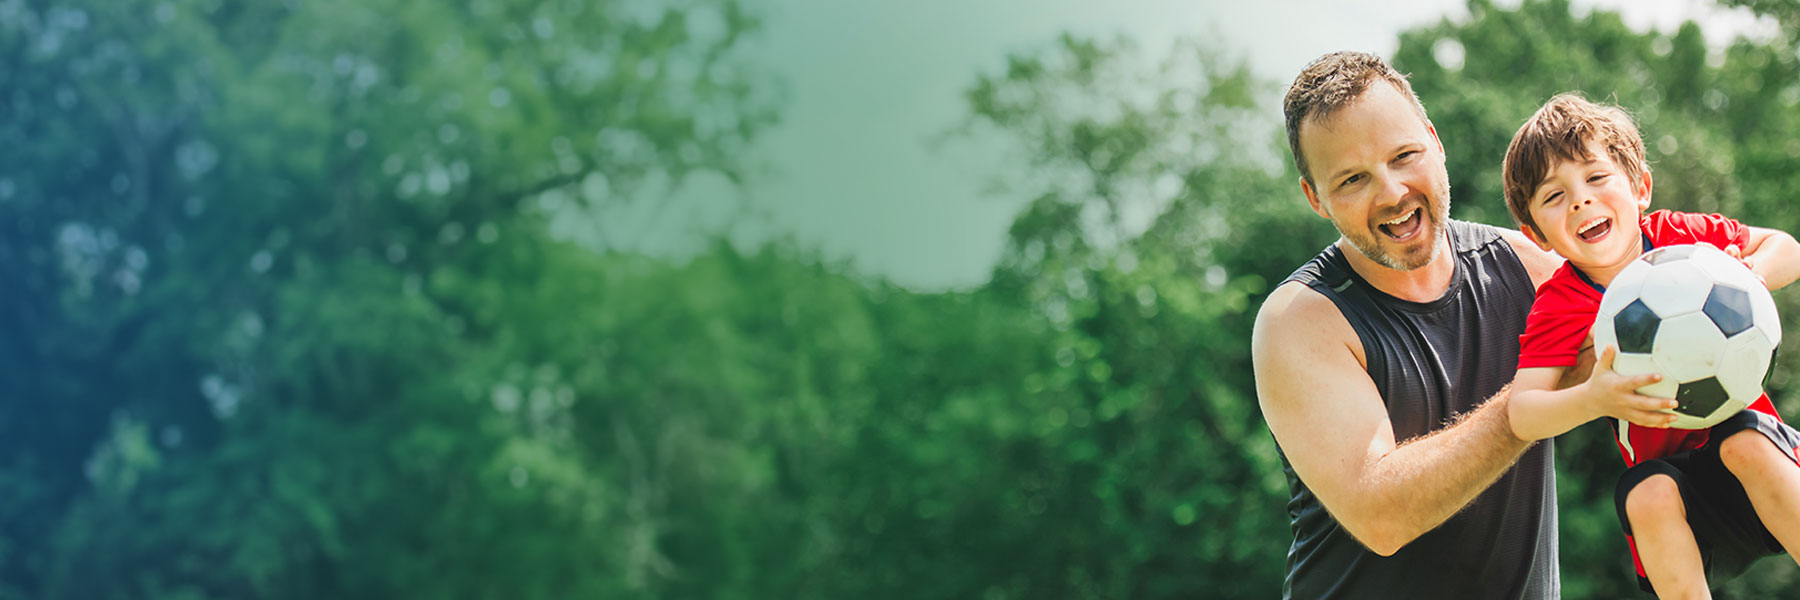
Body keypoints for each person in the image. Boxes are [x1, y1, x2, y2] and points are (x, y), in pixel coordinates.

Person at [1253, 50, 1577, 599]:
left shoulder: (1532, 270)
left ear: (1436, 142)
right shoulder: (1301, 321)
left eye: (1404, 155)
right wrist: (1530, 403)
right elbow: (1382, 515)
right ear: (1316, 199)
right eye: (1353, 179)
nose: (1392, 192)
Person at [1499, 93, 1800, 597]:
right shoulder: (1561, 303)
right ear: (1537, 235)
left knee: (1743, 441)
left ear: (1640, 188)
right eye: (1554, 196)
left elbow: (1787, 248)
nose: (1581, 200)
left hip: (1764, 464)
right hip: (1684, 501)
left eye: (1597, 178)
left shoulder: (1681, 239)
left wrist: (1749, 275)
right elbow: (1523, 412)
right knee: (1645, 494)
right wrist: (1591, 398)